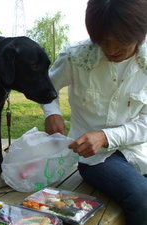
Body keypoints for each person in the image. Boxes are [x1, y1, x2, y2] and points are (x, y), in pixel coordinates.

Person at [40, 0, 147, 224]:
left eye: (121, 41)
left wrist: (106, 136)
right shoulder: (76, 57)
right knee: (141, 196)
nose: (111, 50)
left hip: (137, 150)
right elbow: (47, 87)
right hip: (96, 158)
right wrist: (51, 112)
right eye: (103, 41)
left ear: (140, 33)